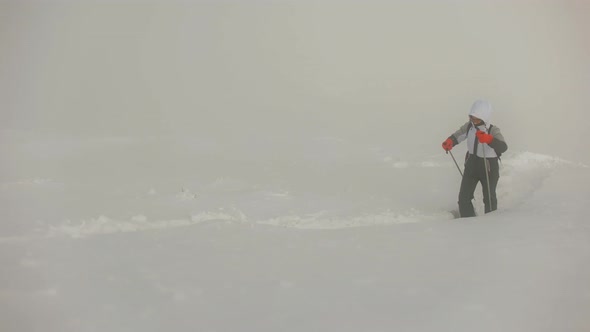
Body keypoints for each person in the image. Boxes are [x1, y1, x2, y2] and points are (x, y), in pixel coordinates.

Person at [441, 100, 508, 217]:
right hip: (472, 164)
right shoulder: (469, 127)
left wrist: (489, 139)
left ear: (484, 117)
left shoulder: (493, 130)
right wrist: (450, 141)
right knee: (463, 198)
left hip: (489, 167)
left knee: (489, 198)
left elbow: (503, 147)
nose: (474, 121)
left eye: (477, 119)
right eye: (472, 118)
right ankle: (468, 222)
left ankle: (492, 224)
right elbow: (459, 135)